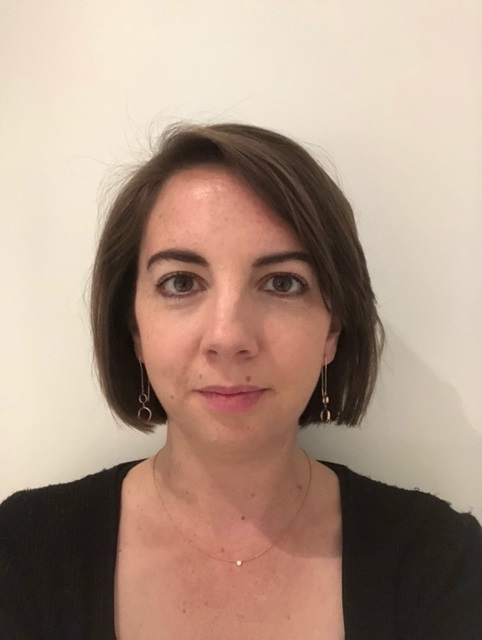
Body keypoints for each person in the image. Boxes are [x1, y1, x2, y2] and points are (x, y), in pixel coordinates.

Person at [0, 123, 481, 640]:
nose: (228, 337)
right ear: (134, 330)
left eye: (282, 283)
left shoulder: (440, 561)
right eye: (181, 282)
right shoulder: (23, 553)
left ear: (332, 331)